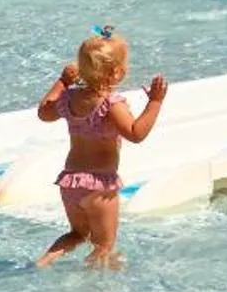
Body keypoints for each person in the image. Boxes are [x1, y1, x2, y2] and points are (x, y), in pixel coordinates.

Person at [34, 24, 167, 269]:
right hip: (99, 186)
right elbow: (136, 134)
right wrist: (155, 103)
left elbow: (44, 112)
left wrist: (62, 82)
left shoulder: (69, 98)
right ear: (117, 73)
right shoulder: (111, 104)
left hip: (70, 182)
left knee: (77, 234)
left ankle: (43, 262)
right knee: (104, 247)